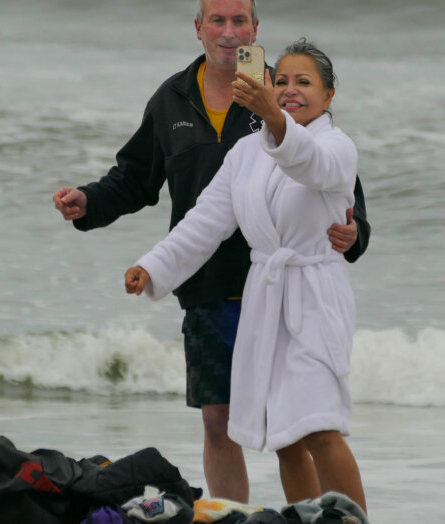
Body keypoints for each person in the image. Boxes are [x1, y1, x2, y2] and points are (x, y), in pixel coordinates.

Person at [53, 0, 370, 502]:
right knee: (255, 431)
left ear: (255, 28)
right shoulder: (184, 107)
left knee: (312, 425)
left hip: (296, 293)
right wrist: (147, 262)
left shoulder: (309, 124)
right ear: (198, 29)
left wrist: (353, 232)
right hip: (212, 288)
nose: (229, 32)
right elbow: (189, 210)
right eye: (217, 20)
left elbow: (328, 179)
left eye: (239, 20)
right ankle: (261, 518)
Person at [125, 39, 367, 513]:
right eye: (282, 82)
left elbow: (309, 165)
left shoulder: (337, 147)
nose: (290, 90)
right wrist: (152, 266)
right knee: (286, 436)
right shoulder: (244, 153)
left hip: (313, 297)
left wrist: (274, 119)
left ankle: (355, 520)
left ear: (329, 96)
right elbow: (205, 222)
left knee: (318, 425)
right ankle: (309, 520)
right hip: (267, 300)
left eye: (304, 82)